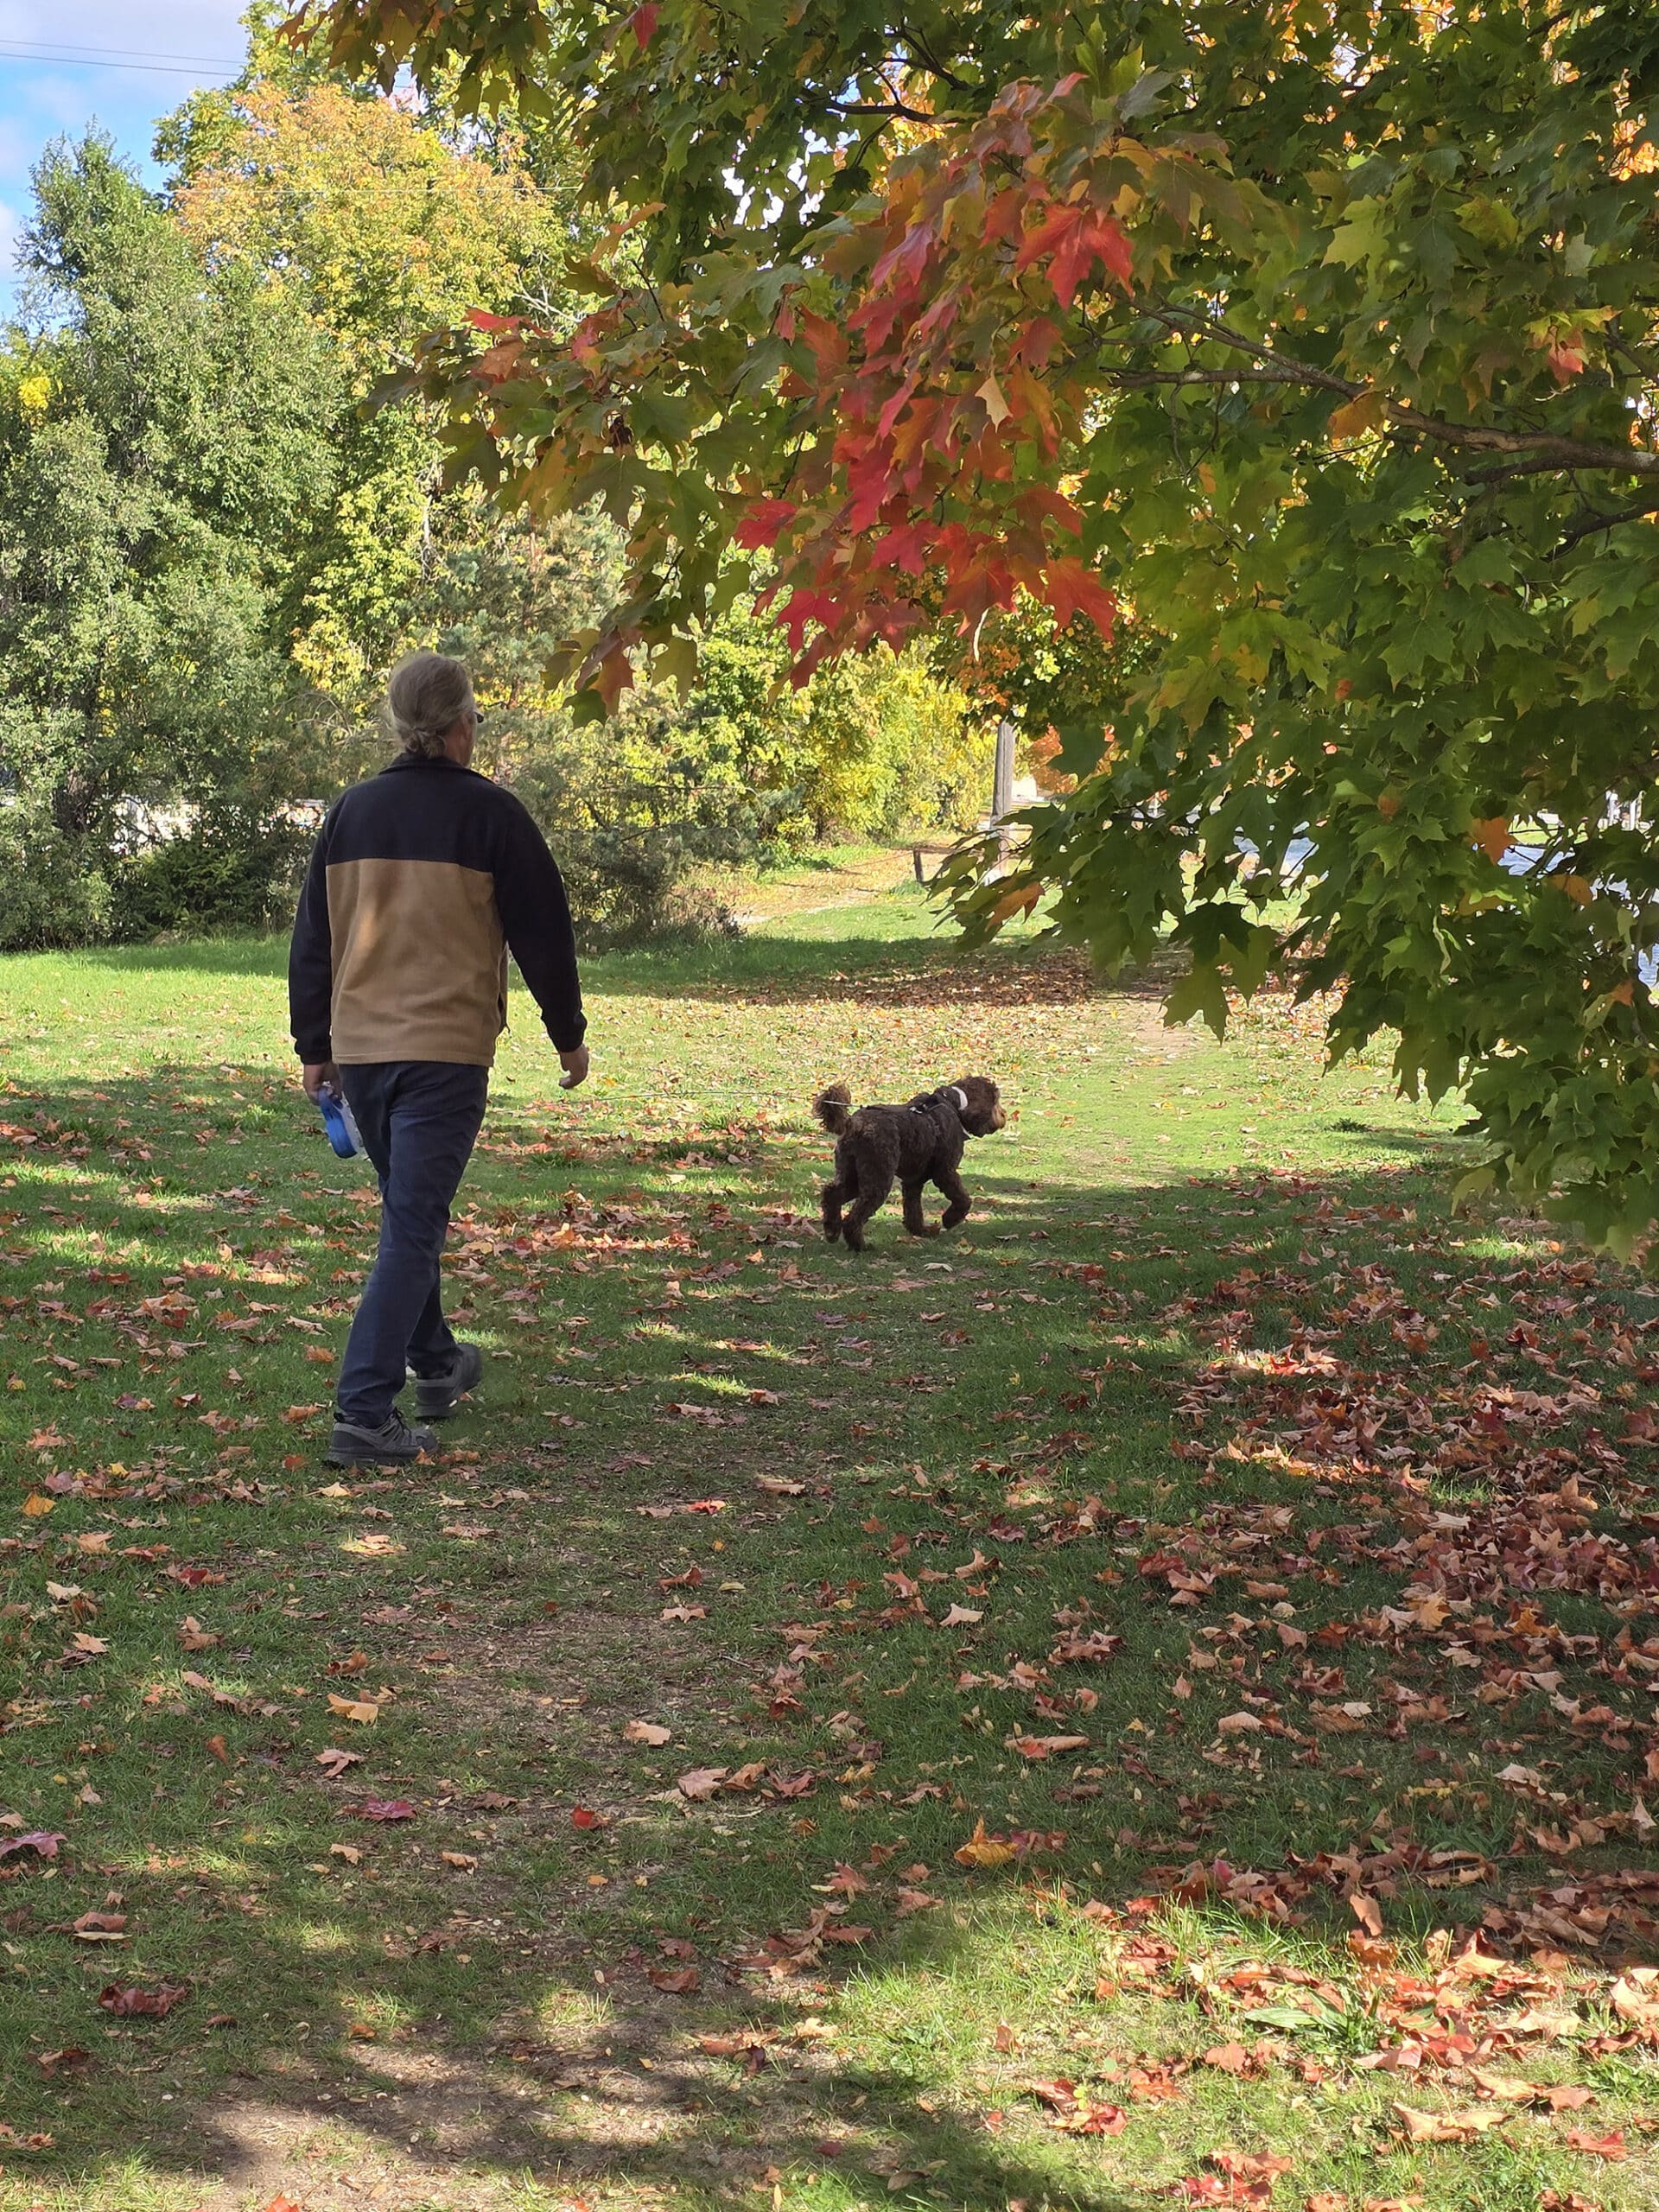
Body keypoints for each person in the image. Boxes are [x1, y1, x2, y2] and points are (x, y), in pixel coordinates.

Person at [289, 651, 588, 1465]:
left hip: (362, 1054)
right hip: (443, 1056)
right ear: (460, 727)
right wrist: (569, 1033)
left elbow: (313, 937)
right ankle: (363, 1412)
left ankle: (438, 1364)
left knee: (405, 1218)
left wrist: (314, 1044)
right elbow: (543, 936)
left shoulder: (351, 812)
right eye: (476, 720)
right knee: (413, 1228)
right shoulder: (492, 816)